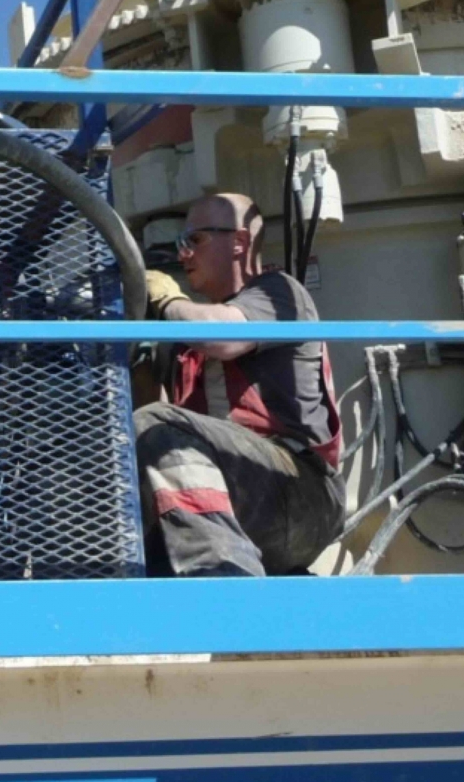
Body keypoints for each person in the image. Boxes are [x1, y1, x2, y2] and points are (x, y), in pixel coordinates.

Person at [135, 192, 344, 577]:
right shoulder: (186, 342)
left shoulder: (278, 295)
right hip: (239, 501)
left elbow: (223, 339)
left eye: (193, 241)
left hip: (299, 490)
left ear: (239, 242)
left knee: (159, 425)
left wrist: (166, 302)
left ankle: (223, 579)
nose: (183, 255)